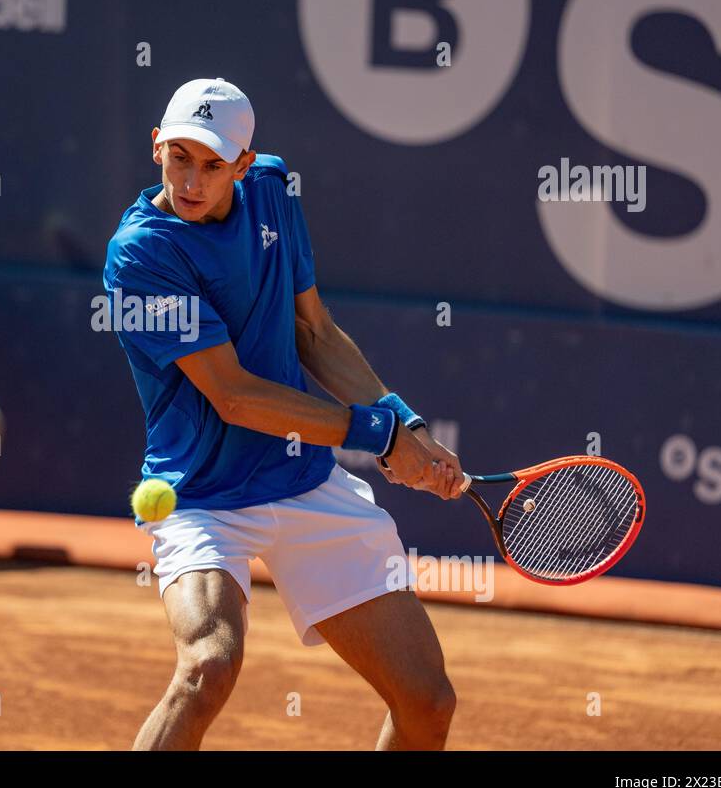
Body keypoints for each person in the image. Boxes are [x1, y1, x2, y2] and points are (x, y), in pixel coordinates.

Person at [104, 78, 465, 750]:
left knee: (428, 700)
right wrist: (378, 436)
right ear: (155, 146)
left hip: (305, 484)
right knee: (208, 665)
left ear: (245, 164)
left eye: (213, 164)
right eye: (179, 156)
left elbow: (316, 335)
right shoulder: (142, 254)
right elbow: (235, 396)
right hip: (202, 499)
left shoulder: (272, 190)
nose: (191, 179)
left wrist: (405, 424)